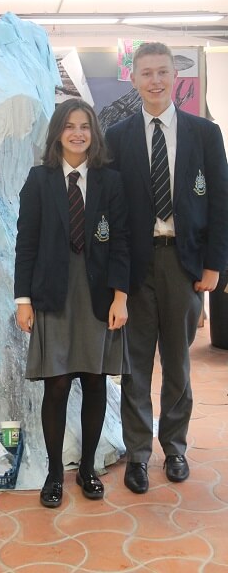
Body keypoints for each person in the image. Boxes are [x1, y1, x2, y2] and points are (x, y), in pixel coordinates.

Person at [105, 42, 228, 494]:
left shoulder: (204, 133)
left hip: (184, 264)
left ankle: (174, 447)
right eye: (146, 73)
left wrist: (216, 267)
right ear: (133, 79)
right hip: (135, 268)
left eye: (162, 72)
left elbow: (221, 203)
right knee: (134, 366)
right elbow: (112, 213)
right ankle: (138, 455)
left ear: (175, 76)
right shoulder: (116, 136)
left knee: (178, 363)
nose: (155, 80)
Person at [14, 98, 130, 508]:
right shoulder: (39, 179)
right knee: (58, 383)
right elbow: (25, 243)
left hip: (98, 294)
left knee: (95, 380)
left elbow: (121, 243)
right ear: (57, 132)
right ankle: (52, 474)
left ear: (93, 133)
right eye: (69, 126)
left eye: (85, 126)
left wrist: (121, 295)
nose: (78, 133)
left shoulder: (109, 181)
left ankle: (86, 470)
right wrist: (23, 299)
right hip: (53, 293)